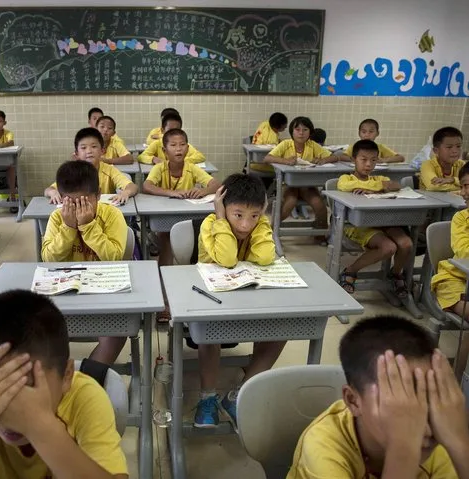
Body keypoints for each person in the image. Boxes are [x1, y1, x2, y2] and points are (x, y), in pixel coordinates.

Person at [0, 290, 128, 479]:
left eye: (27, 391)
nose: (12, 413)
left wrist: (41, 426)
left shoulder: (85, 398)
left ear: (66, 376)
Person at [288, 315, 469, 478]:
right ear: (353, 400)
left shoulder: (443, 443)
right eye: (399, 406)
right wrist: (404, 450)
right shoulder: (322, 449)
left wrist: (460, 445)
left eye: (432, 398)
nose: (423, 425)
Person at [195, 173, 283, 428]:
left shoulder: (258, 226)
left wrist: (263, 222)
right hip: (212, 300)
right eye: (238, 215)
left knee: (282, 329)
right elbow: (227, 259)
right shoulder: (211, 224)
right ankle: (207, 397)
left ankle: (240, 392)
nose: (245, 225)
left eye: (254, 215)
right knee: (211, 334)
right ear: (223, 208)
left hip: (250, 299)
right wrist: (222, 219)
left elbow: (266, 257)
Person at [42, 161, 128, 365]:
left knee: (118, 331)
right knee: (39, 330)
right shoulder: (57, 218)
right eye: (71, 202)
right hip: (66, 294)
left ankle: (90, 377)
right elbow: (48, 259)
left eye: (85, 200)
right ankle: (59, 377)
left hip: (104, 291)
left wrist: (88, 226)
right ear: (62, 199)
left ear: (98, 195)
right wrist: (69, 228)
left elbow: (114, 257)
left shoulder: (112, 215)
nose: (78, 207)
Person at [142, 128, 221, 322]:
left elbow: (215, 183)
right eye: (173, 145)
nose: (178, 149)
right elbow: (147, 186)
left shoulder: (191, 167)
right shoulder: (160, 168)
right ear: (164, 149)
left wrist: (202, 192)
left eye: (182, 145)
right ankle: (164, 300)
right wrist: (170, 192)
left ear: (188, 148)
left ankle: (192, 294)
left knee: (199, 247)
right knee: (166, 239)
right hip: (166, 220)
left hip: (188, 219)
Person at [336, 140, 412, 297]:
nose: (368, 164)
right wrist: (380, 188)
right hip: (358, 225)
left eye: (373, 160)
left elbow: (396, 185)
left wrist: (377, 187)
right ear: (353, 160)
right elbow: (344, 187)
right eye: (363, 159)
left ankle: (395, 274)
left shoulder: (378, 178)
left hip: (384, 221)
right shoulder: (347, 179)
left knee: (406, 244)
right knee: (388, 248)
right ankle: (350, 271)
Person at [263, 116, 341, 237]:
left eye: (305, 130)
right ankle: (271, 231)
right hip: (289, 186)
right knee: (289, 203)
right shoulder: (285, 144)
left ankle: (319, 233)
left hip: (308, 186)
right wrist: (285, 161)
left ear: (310, 132)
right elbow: (267, 158)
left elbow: (335, 157)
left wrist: (323, 160)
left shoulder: (313, 145)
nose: (301, 133)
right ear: (292, 131)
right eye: (297, 129)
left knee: (319, 205)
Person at [431, 161, 469, 376]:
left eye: (468, 186)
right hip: (455, 280)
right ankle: (457, 385)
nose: (464, 192)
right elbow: (463, 251)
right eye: (463, 186)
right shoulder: (461, 218)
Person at [45, 128, 138, 206]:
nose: (89, 151)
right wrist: (53, 193)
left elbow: (132, 186)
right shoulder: (73, 172)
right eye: (83, 148)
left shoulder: (109, 170)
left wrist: (125, 192)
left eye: (94, 146)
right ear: (76, 153)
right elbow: (48, 189)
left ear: (102, 151)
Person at [138, 113, 205, 165]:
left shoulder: (183, 145)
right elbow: (141, 157)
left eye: (177, 130)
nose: (173, 133)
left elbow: (200, 156)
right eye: (170, 130)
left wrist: (181, 161)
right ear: (162, 130)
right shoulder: (157, 144)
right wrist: (153, 159)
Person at [420, 127, 464, 192]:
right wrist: (463, 187)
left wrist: (453, 180)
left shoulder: (462, 164)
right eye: (449, 147)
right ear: (436, 151)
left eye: (458, 146)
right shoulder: (427, 165)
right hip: (432, 201)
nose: (455, 151)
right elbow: (434, 187)